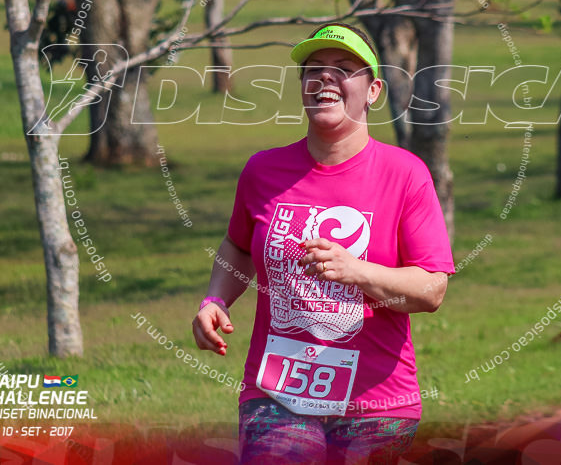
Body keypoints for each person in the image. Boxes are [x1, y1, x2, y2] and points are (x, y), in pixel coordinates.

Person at [192, 23, 455, 464]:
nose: (325, 77)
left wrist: (357, 271)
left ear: (372, 91)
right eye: (313, 69)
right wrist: (215, 298)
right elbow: (237, 245)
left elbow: (432, 289)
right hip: (276, 394)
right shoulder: (263, 171)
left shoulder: (405, 174)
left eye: (343, 68)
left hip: (378, 403)